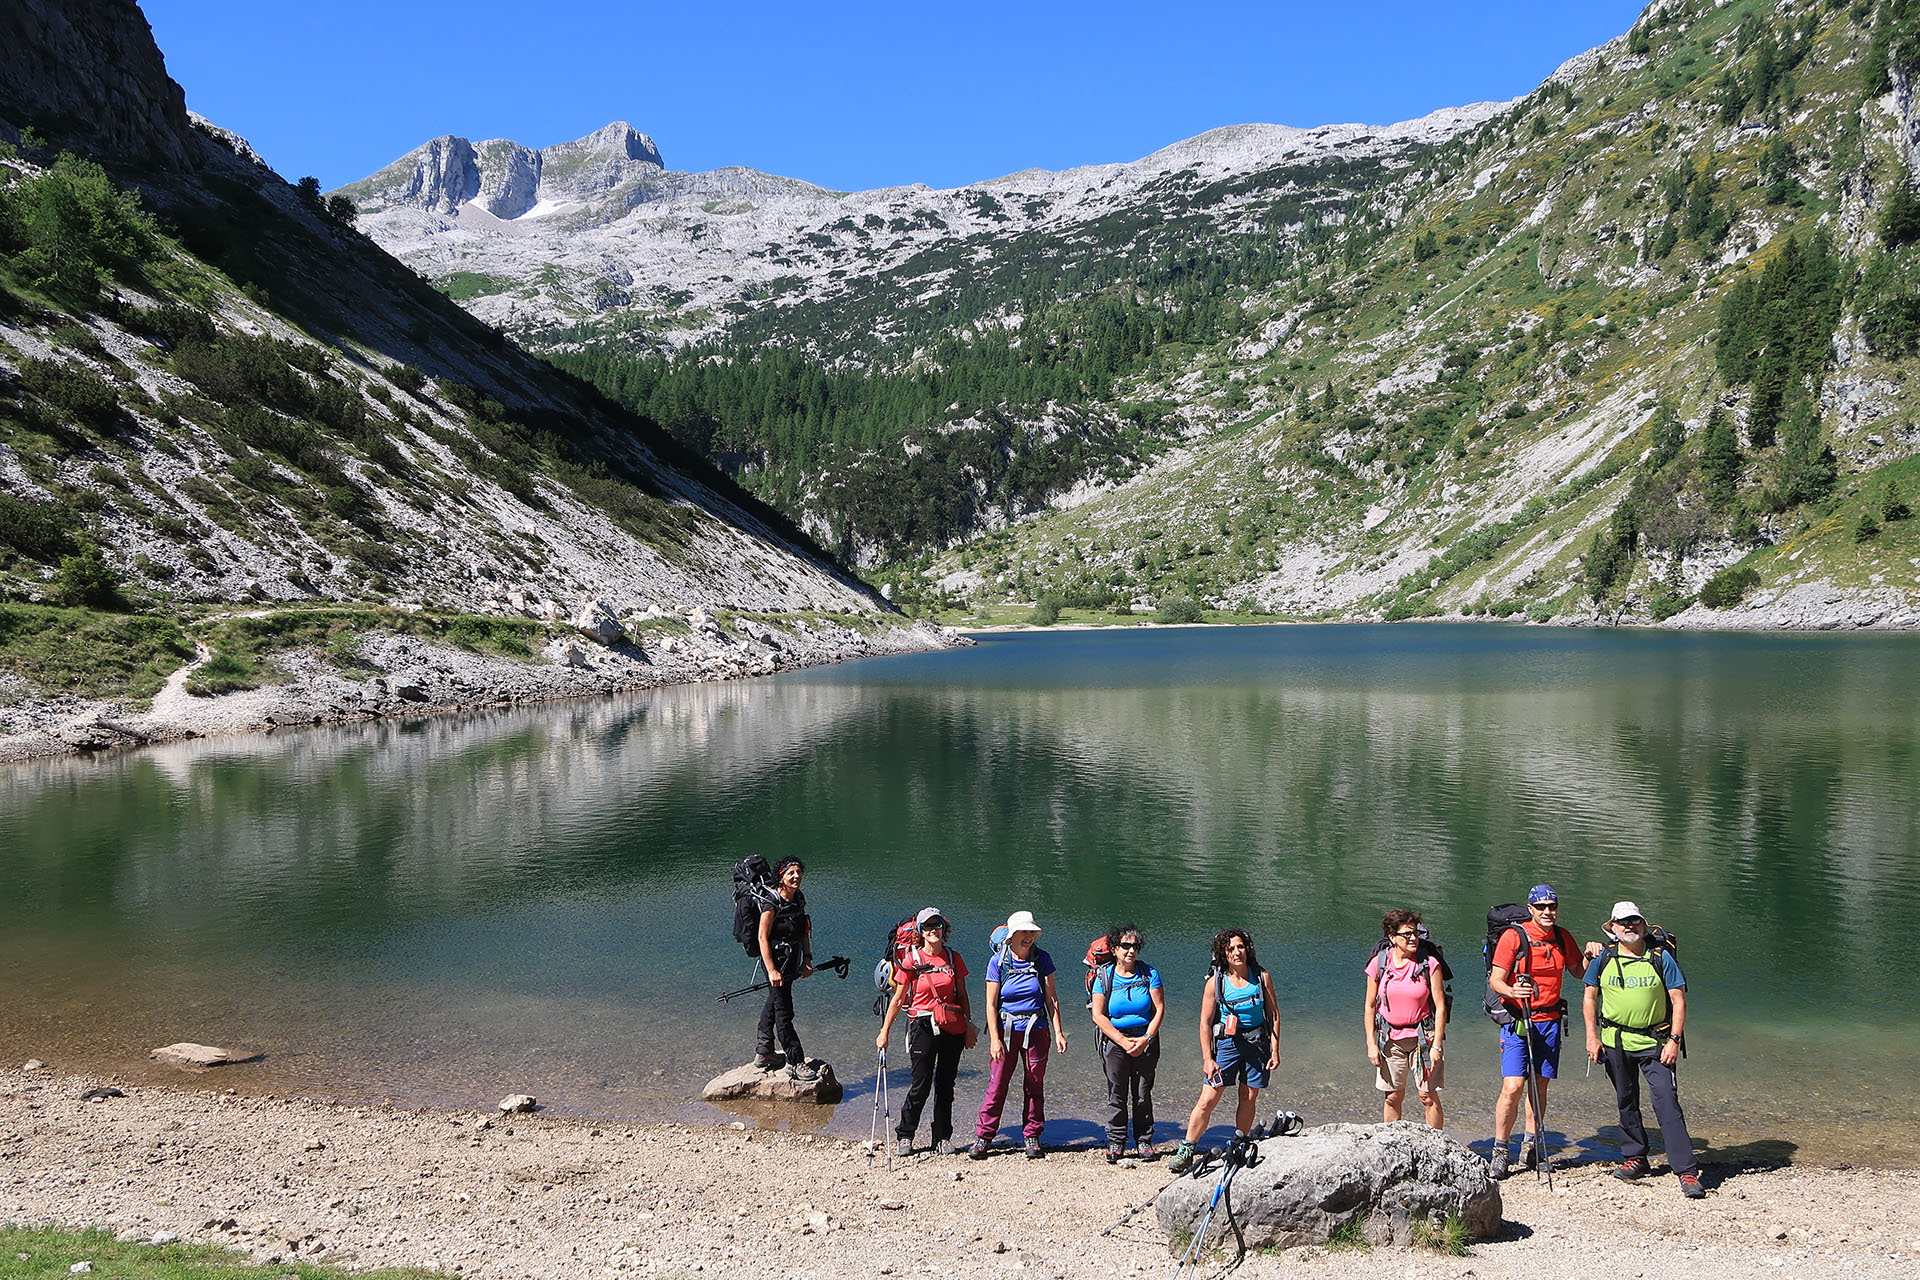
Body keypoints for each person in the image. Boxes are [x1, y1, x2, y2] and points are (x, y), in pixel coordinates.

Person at [1584, 900, 1704, 1199]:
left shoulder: (1661, 958)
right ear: (1612, 927)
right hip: (1614, 1042)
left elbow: (1679, 1001)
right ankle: (1636, 1158)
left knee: (1667, 1104)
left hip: (1655, 1043)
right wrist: (1591, 1037)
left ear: (1643, 924)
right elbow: (1589, 997)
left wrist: (1674, 1040)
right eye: (1623, 922)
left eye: (1635, 921)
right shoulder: (1605, 958)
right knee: (1626, 1101)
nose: (1629, 927)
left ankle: (1686, 1171)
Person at [1486, 883, 1584, 1177]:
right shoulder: (1513, 937)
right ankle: (1501, 1150)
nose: (1547, 912)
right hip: (1519, 1019)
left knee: (1539, 1086)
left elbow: (1579, 971)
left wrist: (1595, 955)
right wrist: (1514, 991)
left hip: (1550, 1021)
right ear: (1530, 909)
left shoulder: (1563, 937)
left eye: (1551, 906)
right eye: (1540, 907)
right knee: (1513, 1086)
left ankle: (1531, 1148)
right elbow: (1496, 980)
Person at [1167, 928, 1279, 1174]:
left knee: (1249, 1097)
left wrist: (1275, 1049)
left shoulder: (1262, 977)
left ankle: (1240, 1141)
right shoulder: (1215, 983)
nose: (1237, 952)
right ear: (1223, 954)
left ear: (1247, 949)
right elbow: (1205, 1023)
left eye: (1241, 947)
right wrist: (1208, 1059)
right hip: (1227, 1045)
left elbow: (1273, 1015)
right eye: (1231, 949)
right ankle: (1187, 1148)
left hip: (1257, 1044)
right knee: (1208, 1098)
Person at [875, 907, 977, 1155]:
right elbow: (898, 999)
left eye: (937, 925)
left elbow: (962, 995)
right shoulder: (912, 960)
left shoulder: (954, 958)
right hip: (922, 1026)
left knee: (945, 1085)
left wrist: (969, 1027)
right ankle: (905, 1135)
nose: (933, 930)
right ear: (920, 931)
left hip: (951, 1026)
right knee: (920, 1084)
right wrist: (884, 1032)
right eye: (928, 926)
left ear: (944, 928)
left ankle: (941, 1138)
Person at [970, 911, 1068, 1159]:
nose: (1028, 937)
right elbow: (991, 1005)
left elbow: (1051, 998)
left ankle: (1032, 1135)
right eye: (1023, 932)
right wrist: (994, 1039)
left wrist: (1058, 1032)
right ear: (1012, 935)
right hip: (1006, 1031)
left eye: (1031, 932)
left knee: (1034, 1084)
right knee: (997, 1084)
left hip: (1037, 1030)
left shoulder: (1042, 959)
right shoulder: (998, 963)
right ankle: (984, 1136)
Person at [1362, 909, 1447, 1128]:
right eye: (1406, 934)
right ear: (1392, 937)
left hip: (1423, 1038)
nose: (1413, 938)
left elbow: (1440, 1006)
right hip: (1390, 1039)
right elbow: (1370, 1006)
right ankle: (1391, 1141)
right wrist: (1371, 1044)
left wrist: (1437, 1045)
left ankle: (1436, 1145)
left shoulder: (1429, 964)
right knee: (1392, 1096)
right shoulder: (1378, 963)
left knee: (1427, 1096)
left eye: (1415, 933)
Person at [1089, 923, 1165, 1162]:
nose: (1131, 951)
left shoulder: (1149, 974)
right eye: (1125, 946)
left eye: (1135, 946)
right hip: (1115, 1042)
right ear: (1114, 949)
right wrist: (1122, 1040)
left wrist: (1146, 1039)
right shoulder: (1104, 977)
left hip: (1145, 1040)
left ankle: (1144, 1141)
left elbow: (1160, 1008)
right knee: (1117, 1093)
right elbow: (1098, 1015)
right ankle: (1116, 1141)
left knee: (1142, 1093)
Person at [755, 857, 817, 1082]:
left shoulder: (798, 898)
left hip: (791, 959)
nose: (796, 876)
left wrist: (807, 959)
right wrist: (771, 970)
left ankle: (764, 1052)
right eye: (791, 873)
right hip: (773, 960)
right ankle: (795, 1061)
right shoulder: (772, 902)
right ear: (781, 876)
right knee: (784, 1011)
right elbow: (762, 937)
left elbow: (804, 931)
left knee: (775, 1000)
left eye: (799, 872)